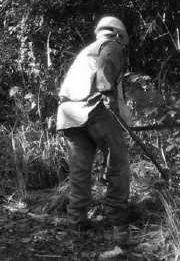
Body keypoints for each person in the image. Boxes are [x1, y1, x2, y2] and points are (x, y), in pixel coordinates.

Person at [56, 16, 131, 232]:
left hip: (69, 114)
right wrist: (108, 94)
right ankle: (116, 216)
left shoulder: (87, 51)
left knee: (80, 171)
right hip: (94, 108)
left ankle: (76, 220)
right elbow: (106, 70)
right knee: (118, 162)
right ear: (118, 35)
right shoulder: (111, 45)